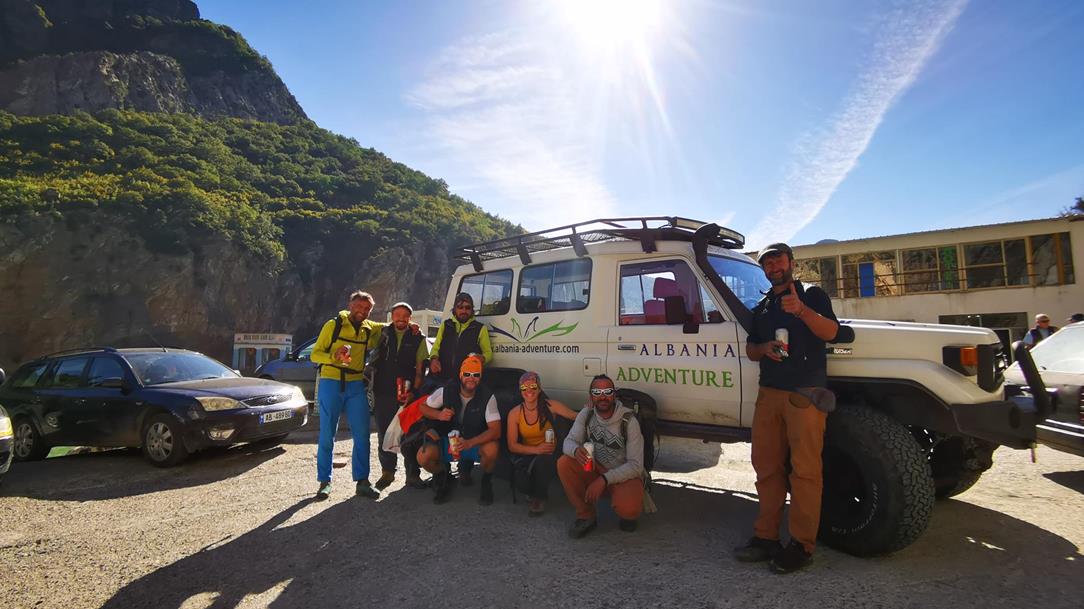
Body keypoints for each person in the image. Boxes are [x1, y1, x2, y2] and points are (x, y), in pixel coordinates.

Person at [734, 242, 839, 574]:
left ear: (791, 262)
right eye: (767, 262)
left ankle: (802, 546)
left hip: (804, 394)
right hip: (769, 394)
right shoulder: (763, 307)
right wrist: (765, 348)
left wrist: (801, 311)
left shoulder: (812, 295)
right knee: (766, 468)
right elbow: (751, 349)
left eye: (778, 259)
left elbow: (832, 333)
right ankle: (766, 537)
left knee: (805, 471)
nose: (773, 266)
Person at [309, 291, 413, 501]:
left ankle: (362, 482)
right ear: (350, 305)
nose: (362, 311)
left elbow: (392, 325)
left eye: (367, 309)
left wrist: (412, 326)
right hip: (331, 381)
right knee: (327, 434)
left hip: (356, 384)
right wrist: (333, 356)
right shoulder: (333, 325)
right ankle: (324, 482)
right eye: (359, 306)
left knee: (362, 434)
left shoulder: (368, 327)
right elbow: (314, 354)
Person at [557, 375, 645, 538]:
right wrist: (576, 450)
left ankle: (626, 510)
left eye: (607, 391)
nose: (602, 396)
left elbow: (636, 466)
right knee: (564, 463)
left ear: (614, 395)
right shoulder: (586, 414)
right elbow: (567, 443)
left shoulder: (629, 421)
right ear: (591, 396)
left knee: (629, 509)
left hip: (623, 475)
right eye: (597, 392)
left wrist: (604, 480)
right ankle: (585, 515)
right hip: (596, 468)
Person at [416, 355, 501, 505]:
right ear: (461, 375)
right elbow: (422, 407)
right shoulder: (446, 390)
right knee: (423, 457)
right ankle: (443, 476)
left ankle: (486, 482)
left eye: (476, 375)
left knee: (492, 449)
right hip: (446, 440)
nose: (471, 378)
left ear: (480, 377)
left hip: (472, 442)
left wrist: (470, 443)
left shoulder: (488, 396)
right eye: (467, 374)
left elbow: (496, 430)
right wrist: (439, 415)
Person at [371, 302, 429, 491]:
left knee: (410, 433)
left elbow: (420, 370)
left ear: (410, 318)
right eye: (398, 315)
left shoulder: (418, 337)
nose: (401, 319)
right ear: (392, 316)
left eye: (405, 316)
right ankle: (387, 472)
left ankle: (412, 474)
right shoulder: (382, 333)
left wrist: (414, 392)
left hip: (408, 394)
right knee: (384, 433)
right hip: (383, 391)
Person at [506, 372, 577, 516]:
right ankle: (531, 490)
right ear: (520, 391)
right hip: (529, 451)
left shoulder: (550, 405)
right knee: (521, 482)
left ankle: (539, 498)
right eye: (524, 388)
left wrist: (592, 410)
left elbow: (575, 416)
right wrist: (536, 450)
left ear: (539, 389)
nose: (529, 391)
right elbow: (512, 445)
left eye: (533, 386)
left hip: (551, 451)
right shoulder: (515, 413)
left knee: (543, 462)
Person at [428, 292, 493, 384]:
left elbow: (488, 353)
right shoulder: (446, 325)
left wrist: (482, 358)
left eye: (467, 307)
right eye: (460, 307)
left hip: (466, 382)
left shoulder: (480, 328)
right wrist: (434, 359)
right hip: (443, 379)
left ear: (472, 310)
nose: (464, 311)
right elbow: (435, 348)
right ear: (455, 309)